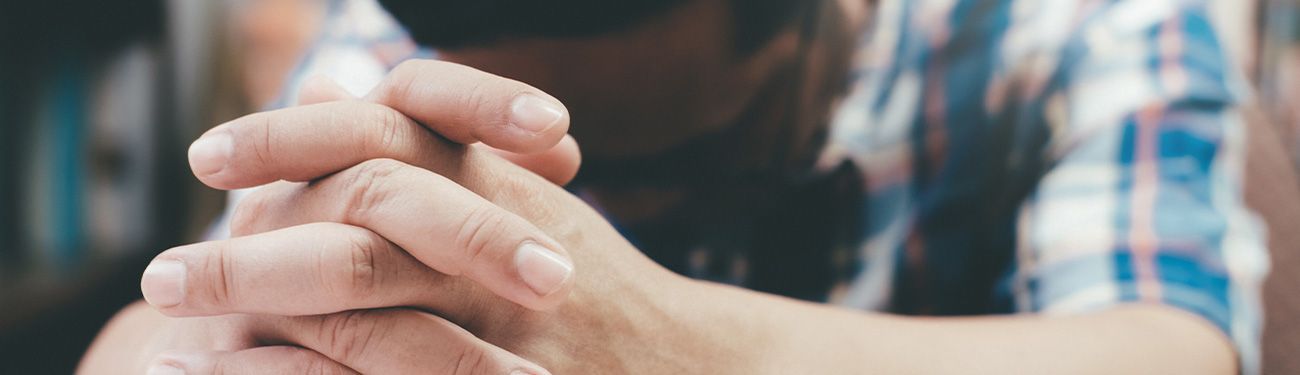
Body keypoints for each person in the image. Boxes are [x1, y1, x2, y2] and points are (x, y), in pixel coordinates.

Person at [80, 0, 1270, 373]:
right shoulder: (401, 49)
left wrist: (653, 340)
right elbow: (197, 316)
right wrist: (196, 337)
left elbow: (1168, 350)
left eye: (655, 156)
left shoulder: (1087, 28)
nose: (596, 211)